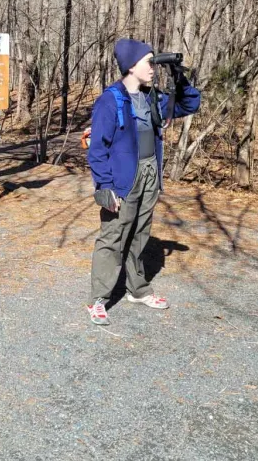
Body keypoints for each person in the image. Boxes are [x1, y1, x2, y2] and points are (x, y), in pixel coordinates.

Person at [84, 38, 200, 325]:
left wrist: (178, 74)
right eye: (148, 62)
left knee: (140, 234)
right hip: (123, 178)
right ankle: (98, 298)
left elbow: (190, 103)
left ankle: (137, 290)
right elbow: (97, 148)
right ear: (131, 66)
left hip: (150, 174)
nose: (152, 68)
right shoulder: (110, 100)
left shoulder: (153, 97)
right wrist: (105, 186)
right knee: (113, 237)